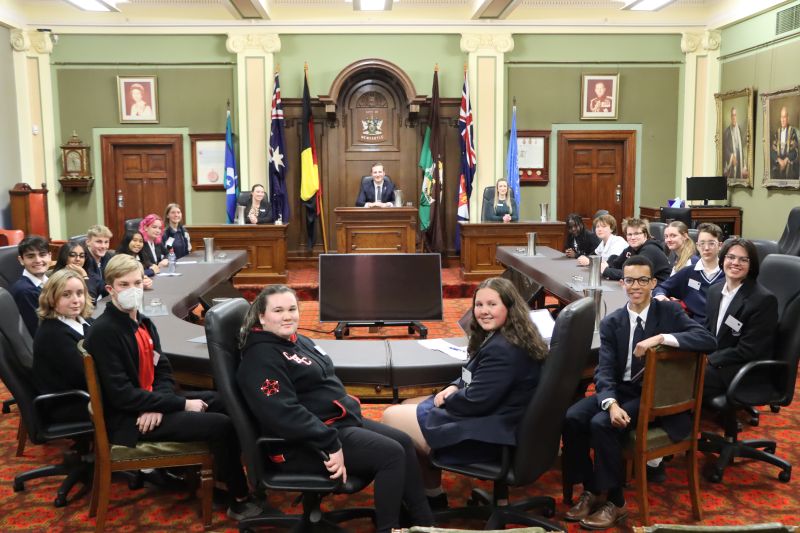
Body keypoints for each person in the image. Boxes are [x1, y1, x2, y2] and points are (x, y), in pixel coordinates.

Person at [236, 285, 434, 533]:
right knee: (391, 454)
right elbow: (282, 414)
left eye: (292, 309)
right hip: (300, 445)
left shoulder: (294, 340)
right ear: (262, 317)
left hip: (331, 424)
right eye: (278, 310)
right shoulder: (261, 358)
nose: (287, 316)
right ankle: (389, 529)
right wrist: (330, 444)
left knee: (404, 442)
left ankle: (424, 525)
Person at [84, 254, 262, 520]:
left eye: (136, 282)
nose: (131, 290)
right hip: (129, 420)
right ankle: (238, 498)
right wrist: (177, 404)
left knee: (227, 402)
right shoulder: (105, 331)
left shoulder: (142, 321)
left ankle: (226, 480)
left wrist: (159, 404)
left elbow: (162, 369)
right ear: (110, 289)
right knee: (221, 425)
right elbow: (121, 395)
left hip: (149, 405)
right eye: (123, 285)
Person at [562, 255, 716, 530]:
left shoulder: (668, 313)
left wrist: (661, 339)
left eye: (643, 280)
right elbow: (605, 370)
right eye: (630, 280)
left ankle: (617, 501)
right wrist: (610, 403)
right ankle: (593, 488)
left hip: (653, 396)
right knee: (573, 417)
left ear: (653, 283)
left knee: (601, 424)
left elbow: (707, 340)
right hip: (620, 390)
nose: (636, 286)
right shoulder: (612, 322)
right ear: (622, 283)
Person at [381, 277, 548, 510]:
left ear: (509, 307)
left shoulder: (504, 350)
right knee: (411, 402)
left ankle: (423, 500)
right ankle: (432, 494)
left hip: (490, 435)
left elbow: (476, 402)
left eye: (492, 304)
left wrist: (449, 398)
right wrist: (453, 386)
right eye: (479, 305)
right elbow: (473, 375)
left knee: (391, 416)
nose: (483, 311)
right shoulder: (511, 335)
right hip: (503, 417)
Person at [702, 238, 778, 404]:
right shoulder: (714, 290)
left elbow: (749, 350)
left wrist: (710, 359)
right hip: (717, 360)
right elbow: (708, 330)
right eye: (731, 257)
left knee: (687, 376)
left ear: (752, 265)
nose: (735, 263)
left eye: (743, 259)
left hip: (742, 369)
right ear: (722, 260)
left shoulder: (763, 300)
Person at [32, 269, 93, 422]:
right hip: (69, 404)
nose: (76, 300)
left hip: (85, 392)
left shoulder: (82, 321)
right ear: (52, 299)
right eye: (66, 295)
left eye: (80, 293)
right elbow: (85, 376)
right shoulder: (53, 334)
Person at [654, 223, 725, 325]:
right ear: (697, 246)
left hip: (719, 328)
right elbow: (662, 288)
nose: (706, 248)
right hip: (693, 327)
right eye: (702, 243)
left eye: (711, 243)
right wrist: (660, 295)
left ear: (720, 246)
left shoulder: (728, 274)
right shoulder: (689, 272)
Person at [602, 218, 671, 283]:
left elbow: (634, 274)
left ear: (645, 235)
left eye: (636, 234)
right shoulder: (631, 248)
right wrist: (607, 266)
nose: (632, 237)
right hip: (642, 287)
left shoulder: (651, 250)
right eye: (629, 234)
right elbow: (615, 265)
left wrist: (606, 271)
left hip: (660, 291)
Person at [11, 235, 51, 336]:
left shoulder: (50, 281)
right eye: (30, 256)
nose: (38, 260)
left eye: (42, 255)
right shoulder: (24, 291)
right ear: (21, 260)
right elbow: (39, 331)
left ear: (50, 256)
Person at [84, 224, 114, 301]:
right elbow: (97, 285)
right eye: (99, 242)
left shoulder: (108, 256)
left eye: (106, 242)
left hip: (105, 300)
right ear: (88, 242)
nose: (103, 246)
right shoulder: (83, 260)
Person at [770, 106, 799, 180]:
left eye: (784, 117)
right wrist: (779, 161)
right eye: (781, 117)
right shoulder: (777, 132)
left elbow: (795, 151)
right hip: (778, 164)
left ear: (788, 118)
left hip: (789, 165)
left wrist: (785, 161)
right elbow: (773, 151)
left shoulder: (792, 131)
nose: (782, 120)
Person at [723, 107, 748, 181]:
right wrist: (731, 157)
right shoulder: (727, 132)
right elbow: (725, 149)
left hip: (739, 162)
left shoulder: (739, 129)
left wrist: (744, 166)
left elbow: (741, 149)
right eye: (732, 115)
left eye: (735, 115)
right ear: (731, 117)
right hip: (732, 165)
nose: (734, 117)